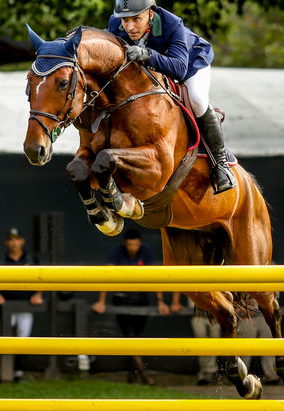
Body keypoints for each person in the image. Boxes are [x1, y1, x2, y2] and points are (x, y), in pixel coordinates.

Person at [108, 0, 236, 194]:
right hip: (153, 67)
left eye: (136, 19)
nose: (130, 27)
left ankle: (220, 163)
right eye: (125, 20)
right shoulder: (114, 24)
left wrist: (147, 55)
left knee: (197, 99)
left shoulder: (172, 24)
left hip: (192, 62)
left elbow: (179, 68)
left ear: (151, 14)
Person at [91, 228, 174, 385]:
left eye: (135, 244)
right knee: (131, 337)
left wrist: (160, 301)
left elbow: (155, 276)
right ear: (125, 244)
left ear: (139, 243)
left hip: (141, 300)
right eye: (130, 245)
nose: (133, 248)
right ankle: (145, 376)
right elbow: (106, 276)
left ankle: (132, 375)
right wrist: (101, 301)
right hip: (121, 300)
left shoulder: (146, 251)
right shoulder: (117, 251)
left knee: (135, 337)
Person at [0, 228, 43, 382]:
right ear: (7, 242)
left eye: (17, 239)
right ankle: (2, 371)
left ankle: (19, 371)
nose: (14, 242)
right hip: (6, 306)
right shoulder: (1, 259)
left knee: (23, 338)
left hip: (25, 305)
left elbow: (41, 277)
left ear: (22, 241)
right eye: (11, 239)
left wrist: (38, 294)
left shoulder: (31, 258)